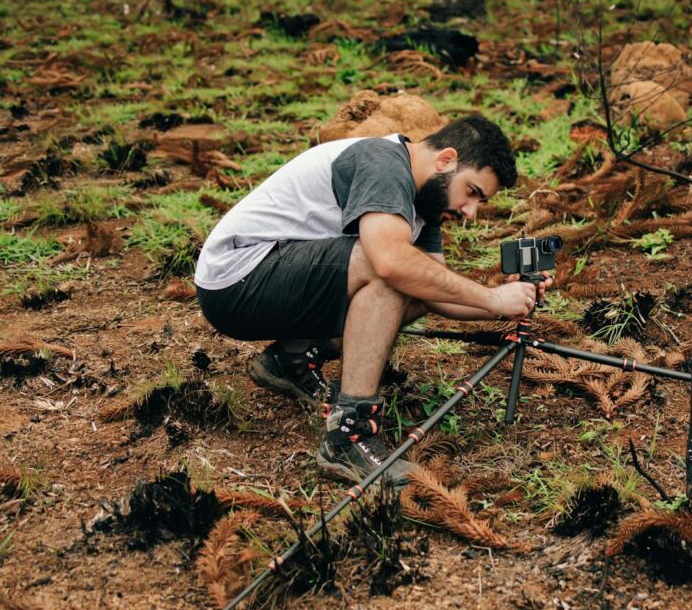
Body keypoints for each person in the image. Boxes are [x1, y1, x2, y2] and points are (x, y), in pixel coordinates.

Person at [194, 116, 552, 485]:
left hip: (269, 283)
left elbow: (436, 293)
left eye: (481, 201)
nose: (469, 211)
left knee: (415, 279)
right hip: (236, 280)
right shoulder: (384, 163)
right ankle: (347, 437)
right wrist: (491, 298)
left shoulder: (424, 201)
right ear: (446, 160)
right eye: (472, 192)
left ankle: (292, 359)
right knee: (391, 271)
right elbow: (390, 263)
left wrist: (512, 300)